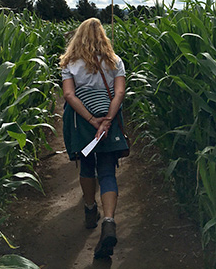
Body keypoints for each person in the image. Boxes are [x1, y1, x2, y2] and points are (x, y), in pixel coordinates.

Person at [59, 18, 128, 259]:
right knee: (108, 170)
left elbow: (68, 95)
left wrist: (91, 120)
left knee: (87, 165)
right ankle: (109, 221)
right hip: (107, 120)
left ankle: (90, 209)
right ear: (103, 37)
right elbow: (119, 92)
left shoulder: (70, 63)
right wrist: (107, 119)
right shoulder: (114, 61)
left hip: (83, 122)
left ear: (78, 37)